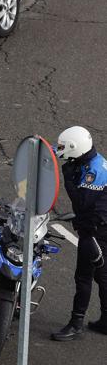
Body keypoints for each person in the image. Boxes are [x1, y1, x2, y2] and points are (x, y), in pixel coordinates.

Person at [52, 126, 107, 341]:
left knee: (83, 276)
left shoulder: (94, 172)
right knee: (102, 275)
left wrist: (67, 179)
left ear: (75, 147)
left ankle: (76, 324)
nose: (60, 150)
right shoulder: (93, 161)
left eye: (63, 147)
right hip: (100, 227)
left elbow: (82, 203)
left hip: (95, 231)